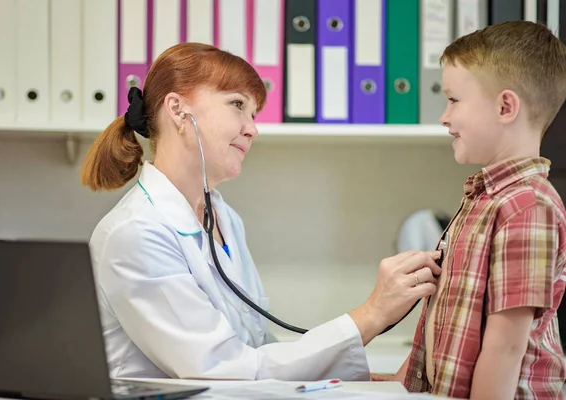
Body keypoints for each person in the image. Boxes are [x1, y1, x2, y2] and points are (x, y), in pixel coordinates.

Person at [80, 42, 441, 381]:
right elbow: (224, 370)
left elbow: (258, 350)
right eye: (237, 105)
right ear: (177, 109)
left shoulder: (222, 218)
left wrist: (365, 381)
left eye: (254, 114)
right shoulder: (136, 232)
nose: (252, 130)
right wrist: (372, 313)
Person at [374, 21, 566, 399]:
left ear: (505, 106)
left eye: (453, 100)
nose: (444, 117)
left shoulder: (527, 205)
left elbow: (505, 347)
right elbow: (443, 322)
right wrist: (403, 384)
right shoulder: (484, 199)